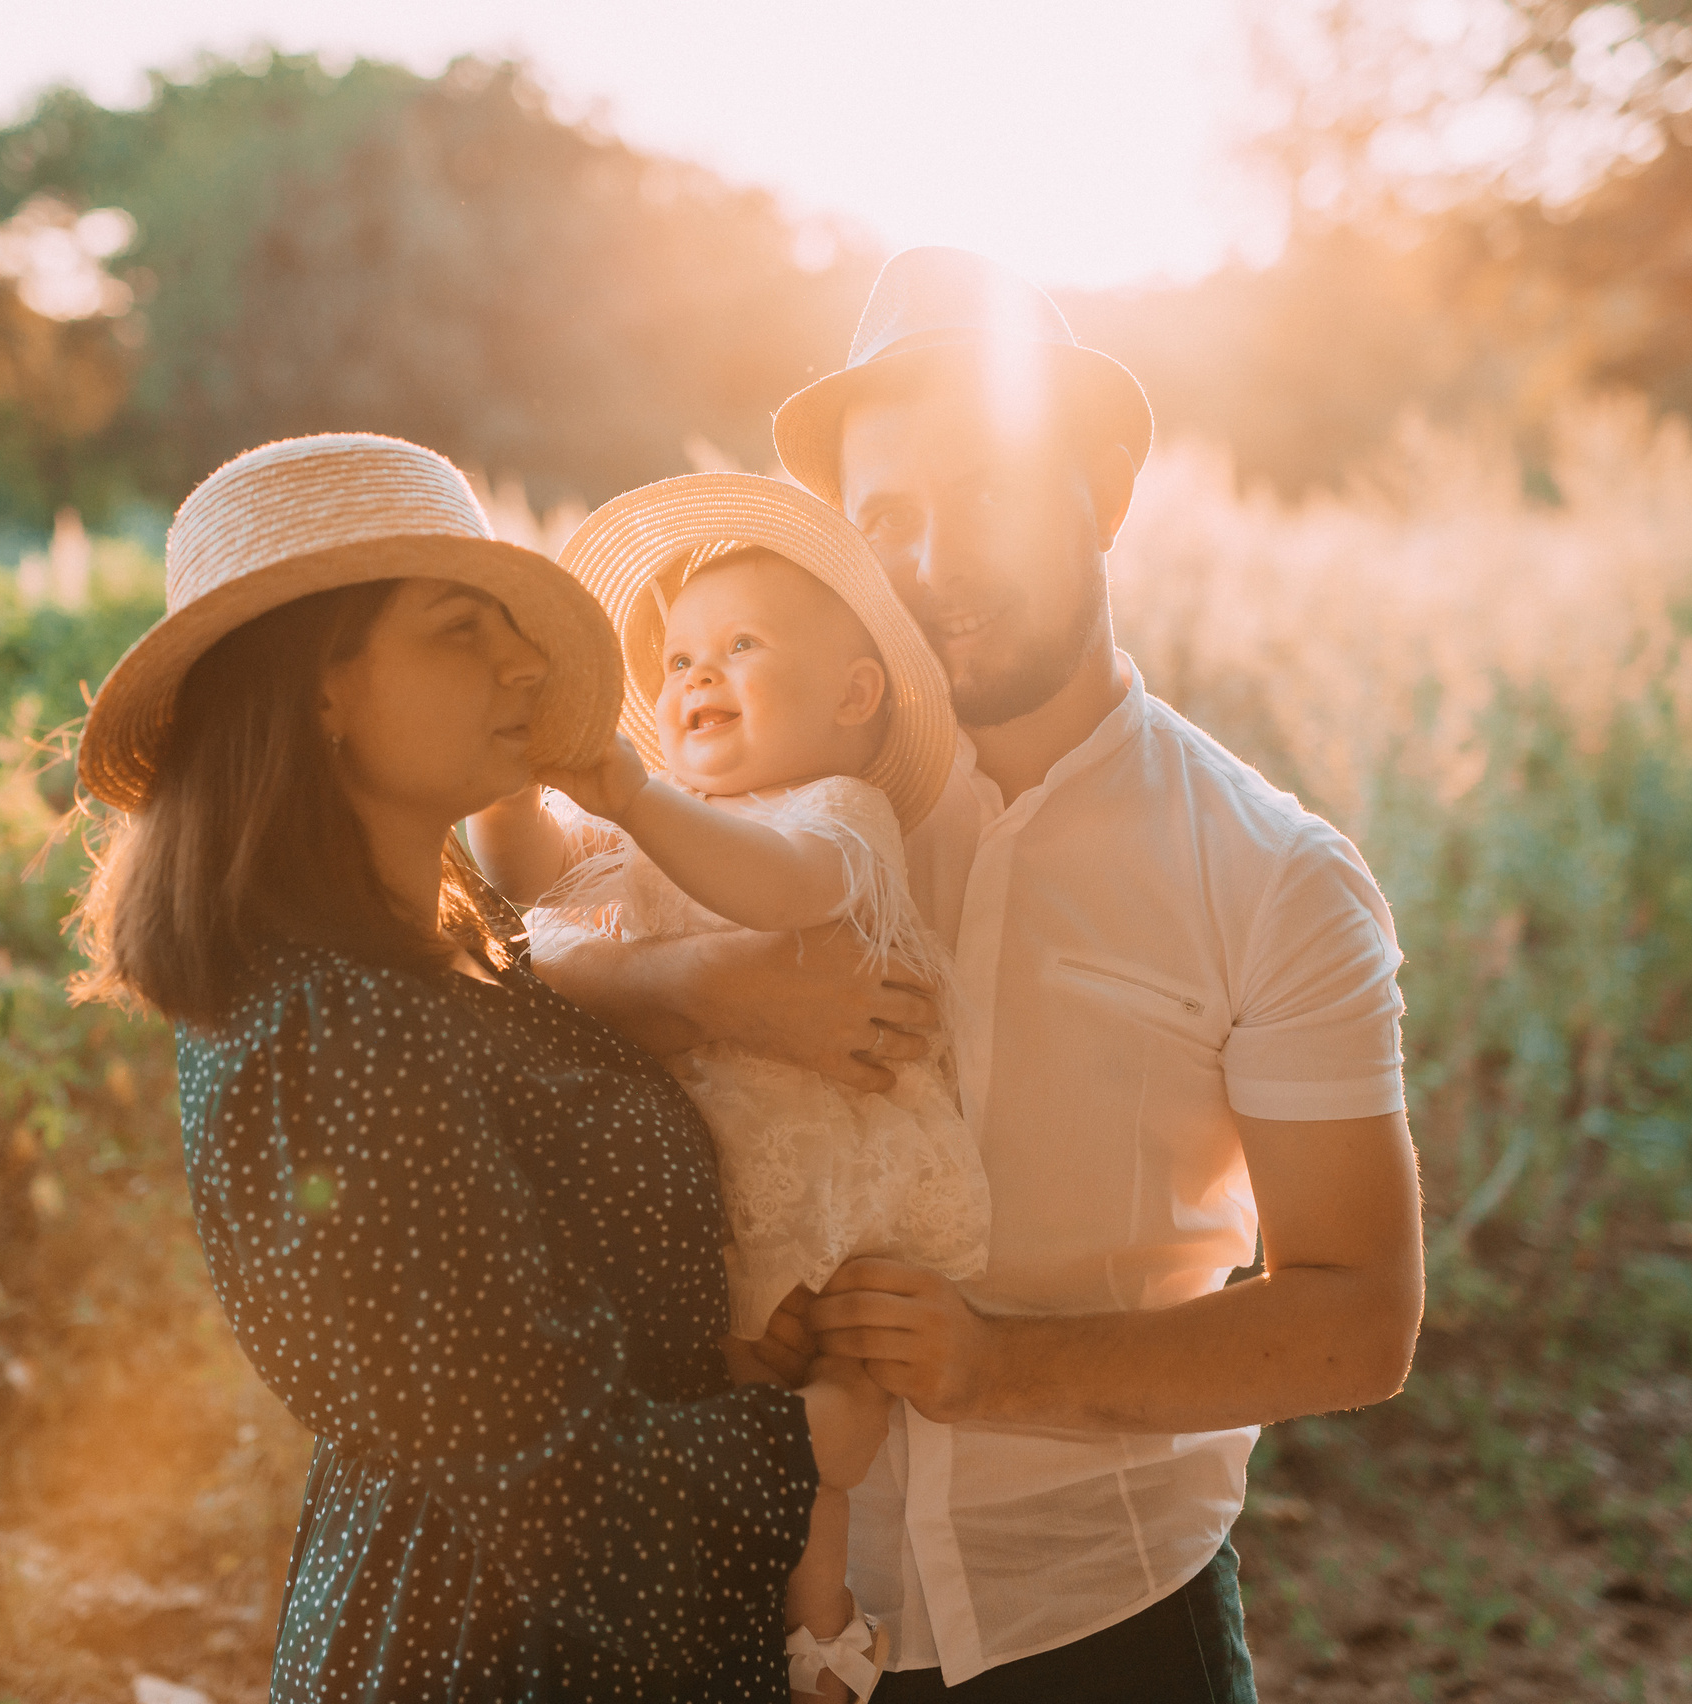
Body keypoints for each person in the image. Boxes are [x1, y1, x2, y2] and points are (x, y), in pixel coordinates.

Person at [538, 250, 1427, 1702]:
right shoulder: (757, 811)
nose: (934, 562)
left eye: (992, 491)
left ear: (1106, 490)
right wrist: (705, 989)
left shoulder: (1272, 872)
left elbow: (1356, 1317)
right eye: (886, 517)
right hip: (763, 1613)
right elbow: (517, 972)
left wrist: (999, 1368)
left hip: (1108, 1624)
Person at [67, 432, 890, 1703]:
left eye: (512, 625)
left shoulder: (447, 954)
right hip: (491, 1655)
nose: (521, 661)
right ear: (316, 693)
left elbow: (507, 1354)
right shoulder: (337, 1036)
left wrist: (705, 1369)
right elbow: (556, 1502)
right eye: (461, 631)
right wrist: (810, 1436)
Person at [467, 473, 992, 1700]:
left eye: (741, 648)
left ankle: (820, 1623)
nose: (696, 676)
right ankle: (752, 1621)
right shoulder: (664, 825)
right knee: (742, 1402)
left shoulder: (835, 812)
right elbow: (527, 874)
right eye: (681, 657)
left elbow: (779, 894)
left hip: (828, 1184)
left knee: (820, 1385)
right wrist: (515, 767)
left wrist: (643, 799)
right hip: (707, 1192)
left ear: (854, 694)